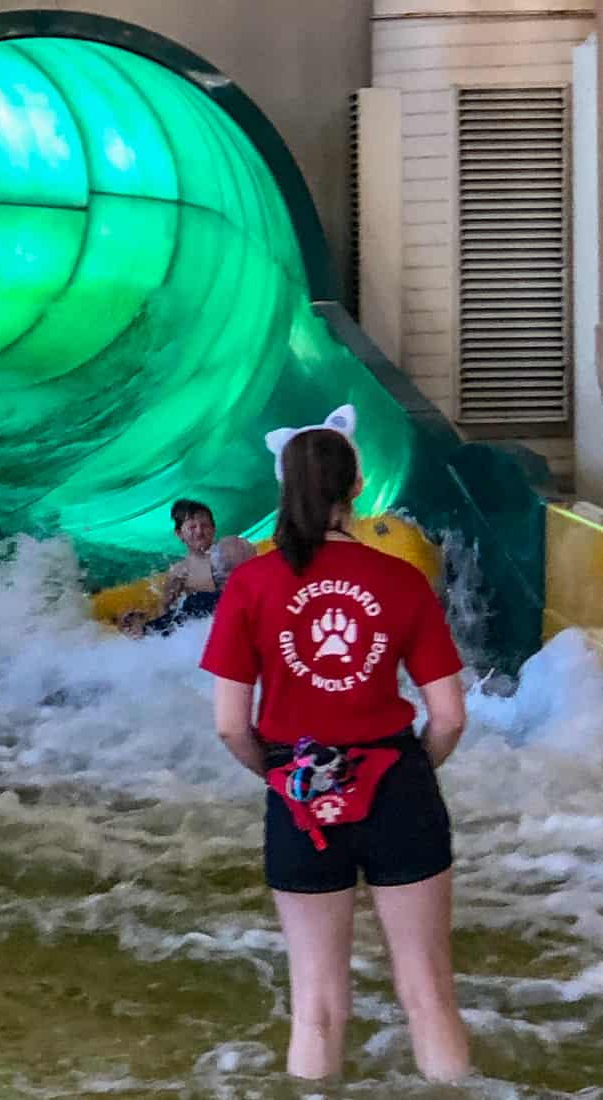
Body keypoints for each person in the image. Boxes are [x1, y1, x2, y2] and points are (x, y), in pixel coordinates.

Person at [200, 408, 469, 1083]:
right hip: (397, 784)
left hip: (298, 792)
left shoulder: (252, 586)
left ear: (283, 490)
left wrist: (284, 776)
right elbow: (450, 716)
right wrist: (404, 774)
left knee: (315, 1006)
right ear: (358, 487)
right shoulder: (402, 581)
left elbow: (231, 724)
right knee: (429, 994)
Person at [127, 500, 255, 635]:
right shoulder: (179, 571)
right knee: (192, 604)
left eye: (205, 525)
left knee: (195, 601)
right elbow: (165, 609)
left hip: (234, 608)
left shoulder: (228, 549)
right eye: (192, 527)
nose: (199, 532)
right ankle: (142, 628)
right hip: (206, 620)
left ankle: (143, 629)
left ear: (213, 529)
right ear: (179, 534)